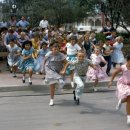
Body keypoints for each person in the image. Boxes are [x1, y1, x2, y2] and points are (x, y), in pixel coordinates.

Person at [108, 55, 130, 126]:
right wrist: (111, 81)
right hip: (123, 84)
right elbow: (115, 73)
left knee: (128, 99)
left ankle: (121, 101)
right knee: (129, 98)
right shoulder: (123, 67)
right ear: (128, 60)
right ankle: (129, 117)